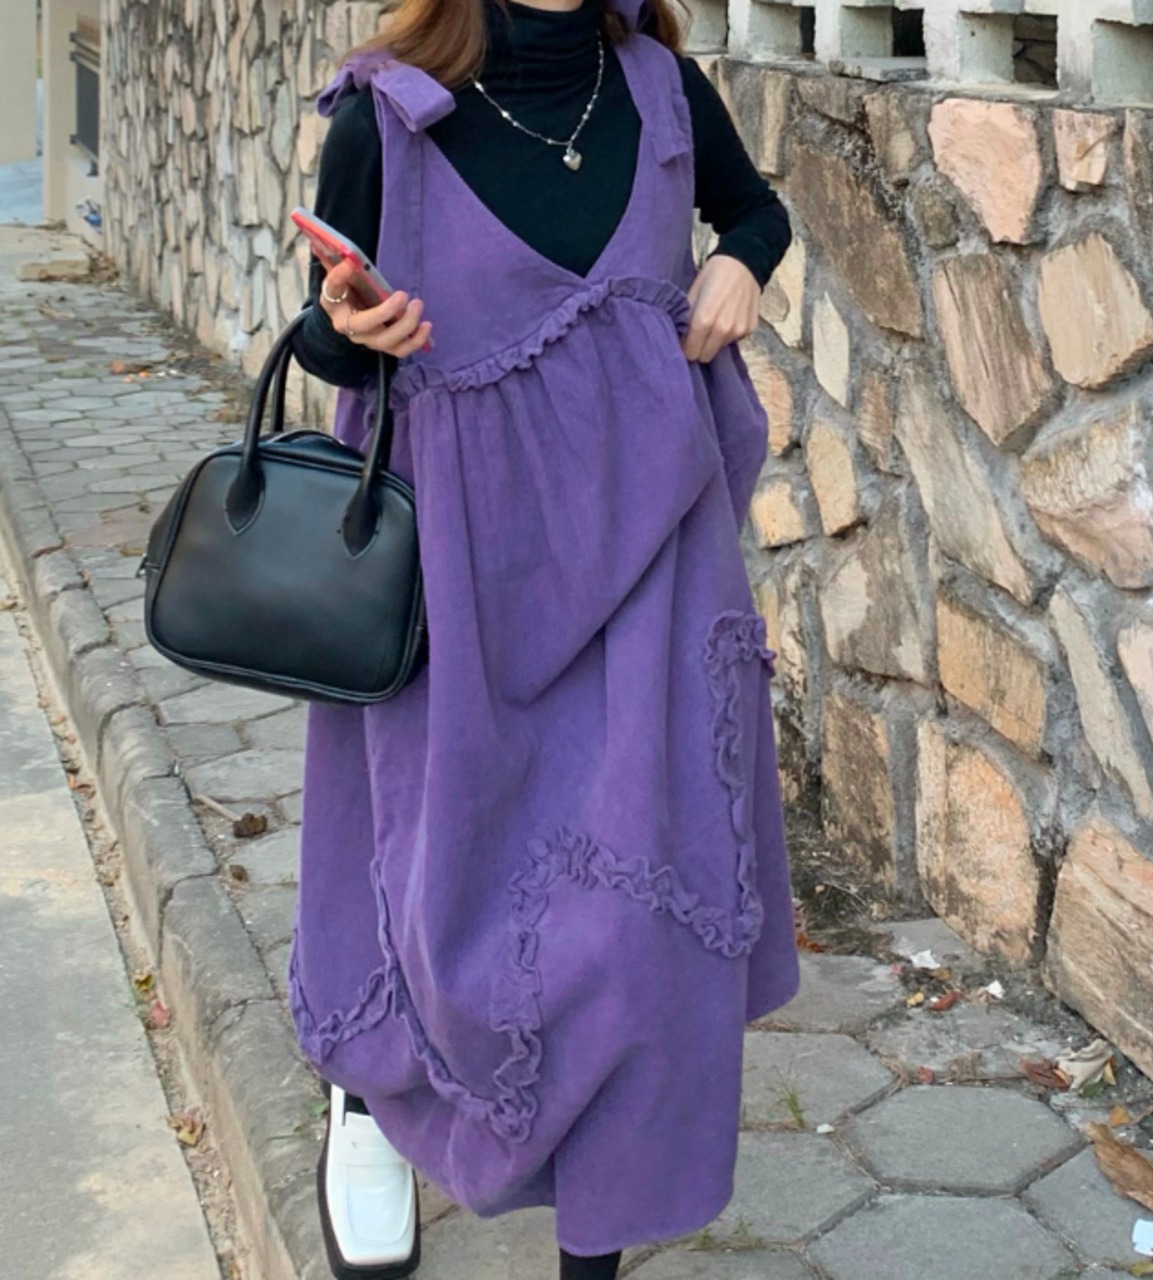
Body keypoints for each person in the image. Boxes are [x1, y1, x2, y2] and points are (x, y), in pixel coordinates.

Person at [286, 0, 802, 1274]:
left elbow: (753, 211)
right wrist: (345, 328)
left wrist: (740, 259)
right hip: (455, 580)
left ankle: (596, 1241)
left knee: (638, 930)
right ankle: (371, 1095)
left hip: (653, 561)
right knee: (436, 892)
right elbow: (327, 345)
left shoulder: (659, 87)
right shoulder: (382, 116)